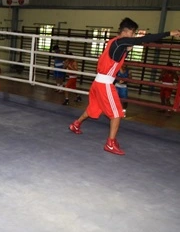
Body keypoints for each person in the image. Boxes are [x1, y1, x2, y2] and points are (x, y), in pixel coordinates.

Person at [69, 17, 180, 155]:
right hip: (104, 84)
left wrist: (127, 50)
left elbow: (115, 58)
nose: (134, 36)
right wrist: (170, 33)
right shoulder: (121, 42)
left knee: (93, 108)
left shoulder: (114, 42)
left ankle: (76, 124)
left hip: (98, 83)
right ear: (127, 32)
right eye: (133, 33)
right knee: (116, 114)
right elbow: (143, 40)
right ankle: (110, 143)